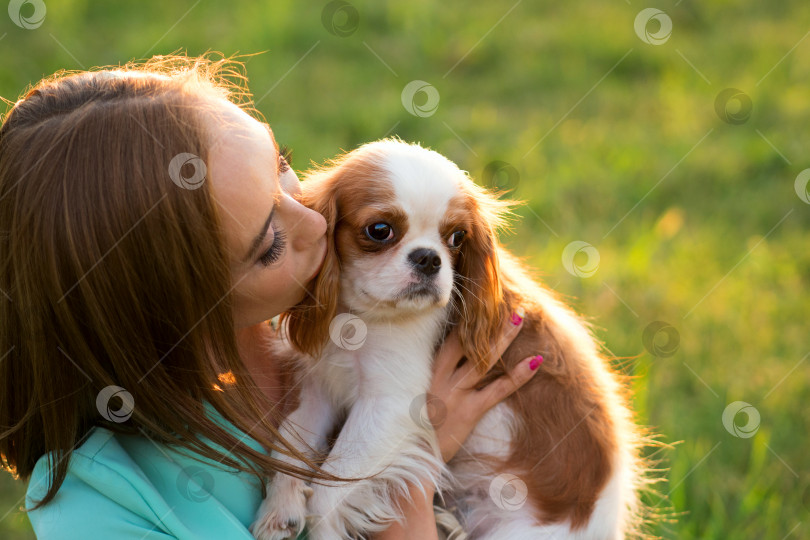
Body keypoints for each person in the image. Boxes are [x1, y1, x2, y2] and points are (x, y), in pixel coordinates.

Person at [0, 54, 540, 539]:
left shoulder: (346, 321)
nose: (316, 219)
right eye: (270, 243)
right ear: (178, 308)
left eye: (281, 167)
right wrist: (412, 487)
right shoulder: (101, 508)